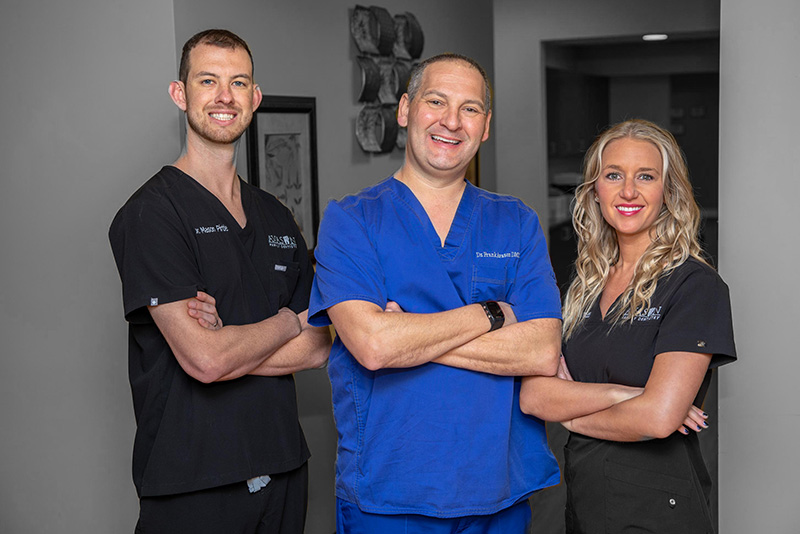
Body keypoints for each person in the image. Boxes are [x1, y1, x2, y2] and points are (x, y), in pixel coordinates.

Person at [308, 53, 563, 533]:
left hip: (499, 492)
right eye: (436, 101)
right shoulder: (351, 221)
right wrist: (491, 313)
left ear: (485, 127)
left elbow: (544, 350)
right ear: (405, 110)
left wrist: (410, 332)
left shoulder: (516, 222)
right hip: (390, 495)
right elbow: (374, 346)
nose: (451, 121)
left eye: (470, 108)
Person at [109, 29, 330, 533]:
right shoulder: (152, 215)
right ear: (180, 94)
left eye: (238, 83)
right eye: (208, 81)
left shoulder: (276, 216)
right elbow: (205, 360)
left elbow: (319, 344)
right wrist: (284, 321)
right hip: (194, 483)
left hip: (283, 467)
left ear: (254, 99)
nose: (224, 97)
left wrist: (231, 343)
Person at [520, 119, 736, 533]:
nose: (629, 191)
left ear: (668, 191)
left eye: (646, 177)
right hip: (587, 500)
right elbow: (534, 396)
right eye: (614, 175)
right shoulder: (585, 287)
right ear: (594, 191)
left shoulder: (695, 286)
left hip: (659, 509)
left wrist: (572, 416)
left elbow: (657, 419)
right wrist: (627, 394)